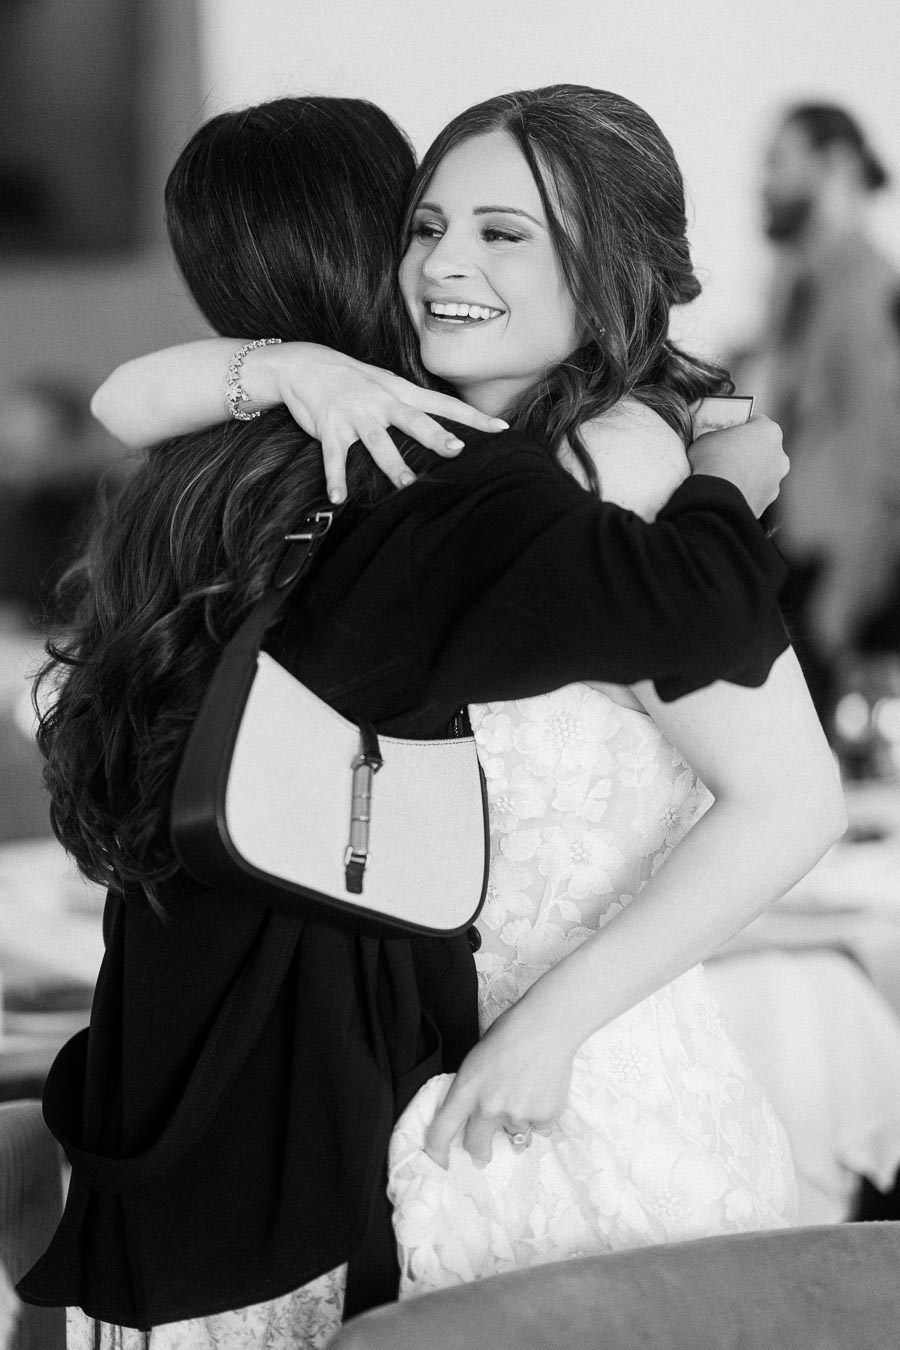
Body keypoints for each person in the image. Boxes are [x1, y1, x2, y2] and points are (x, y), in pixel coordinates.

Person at [20, 92, 830, 1348]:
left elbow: (792, 800)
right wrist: (293, 368)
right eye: (428, 226)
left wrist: (551, 1026)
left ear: (607, 267)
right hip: (355, 1099)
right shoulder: (370, 465)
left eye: (504, 234)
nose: (446, 264)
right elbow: (129, 402)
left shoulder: (625, 477)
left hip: (561, 1104)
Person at [747, 102, 900, 730]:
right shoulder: (797, 279)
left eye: (780, 160)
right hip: (790, 559)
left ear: (834, 163)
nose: (764, 180)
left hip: (834, 577)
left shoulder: (869, 288)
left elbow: (884, 451)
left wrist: (845, 597)